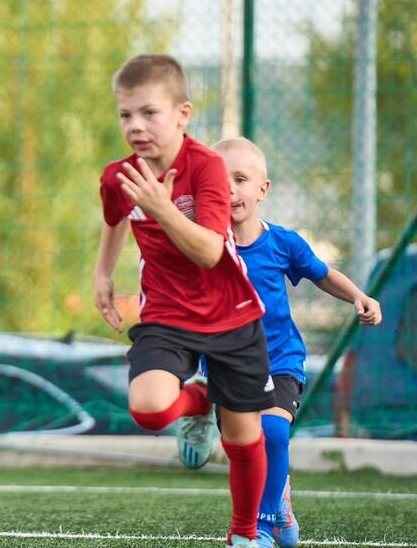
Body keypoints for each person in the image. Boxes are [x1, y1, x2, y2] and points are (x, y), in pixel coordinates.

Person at [93, 54, 274, 548]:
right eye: (125, 115)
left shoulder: (206, 167)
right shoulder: (119, 175)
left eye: (149, 113)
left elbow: (211, 250)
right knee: (149, 410)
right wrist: (103, 274)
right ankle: (199, 402)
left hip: (231, 315)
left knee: (242, 438)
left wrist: (161, 209)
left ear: (182, 114)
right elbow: (114, 218)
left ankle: (243, 534)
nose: (135, 126)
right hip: (167, 316)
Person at [182, 137, 382, 548]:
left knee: (273, 430)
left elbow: (323, 274)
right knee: (247, 443)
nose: (231, 190)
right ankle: (200, 412)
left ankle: (266, 523)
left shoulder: (283, 243)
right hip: (226, 367)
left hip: (280, 360)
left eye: (241, 179)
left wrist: (359, 297)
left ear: (263, 189)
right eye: (221, 181)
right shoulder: (203, 249)